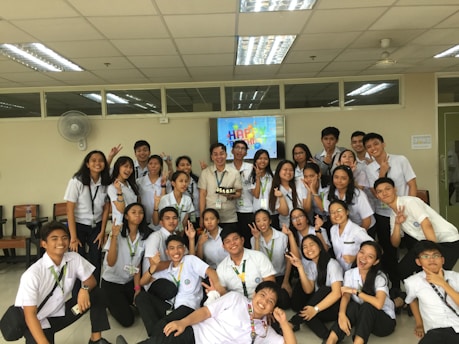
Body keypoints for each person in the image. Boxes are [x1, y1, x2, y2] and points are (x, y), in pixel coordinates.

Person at [14, 221, 110, 344]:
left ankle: (96, 340)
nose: (60, 242)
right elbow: (30, 315)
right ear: (44, 244)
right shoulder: (33, 274)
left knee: (97, 293)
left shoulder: (74, 258)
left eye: (64, 238)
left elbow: (91, 280)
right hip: (38, 321)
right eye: (54, 239)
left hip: (61, 312)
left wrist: (84, 289)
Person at [116, 281, 297, 344]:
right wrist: (184, 323)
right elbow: (206, 312)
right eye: (263, 295)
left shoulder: (265, 331)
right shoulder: (235, 299)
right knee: (164, 339)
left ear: (273, 308)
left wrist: (282, 322)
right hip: (196, 334)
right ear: (255, 294)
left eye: (270, 301)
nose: (264, 301)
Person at [136, 235, 224, 338]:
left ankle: (155, 336)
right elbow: (142, 282)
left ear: (184, 249)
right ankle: (156, 337)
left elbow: (210, 271)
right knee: (141, 297)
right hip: (171, 308)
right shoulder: (166, 269)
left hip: (188, 308)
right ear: (167, 252)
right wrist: (154, 267)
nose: (176, 251)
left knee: (163, 325)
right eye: (172, 248)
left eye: (179, 247)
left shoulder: (190, 260)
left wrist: (219, 289)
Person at [374, 177, 459, 280]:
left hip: (448, 241)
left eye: (387, 189)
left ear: (395, 189)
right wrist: (397, 224)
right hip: (426, 243)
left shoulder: (410, 202)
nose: (384, 193)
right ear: (377, 196)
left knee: (436, 276)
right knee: (402, 270)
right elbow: (395, 243)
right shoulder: (393, 214)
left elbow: (427, 224)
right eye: (380, 191)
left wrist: (431, 254)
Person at [364, 132, 417, 293]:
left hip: (406, 213)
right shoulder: (369, 168)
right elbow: (376, 193)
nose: (373, 148)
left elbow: (412, 184)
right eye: (369, 147)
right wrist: (382, 172)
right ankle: (395, 288)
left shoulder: (400, 160)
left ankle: (415, 288)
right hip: (384, 215)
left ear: (383, 144)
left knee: (413, 249)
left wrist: (410, 207)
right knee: (389, 253)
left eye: (376, 144)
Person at [325, 241, 396, 344]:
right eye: (362, 252)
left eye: (370, 256)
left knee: (367, 306)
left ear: (375, 262)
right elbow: (346, 296)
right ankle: (331, 340)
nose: (363, 258)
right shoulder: (350, 274)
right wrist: (341, 314)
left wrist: (355, 291)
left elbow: (379, 304)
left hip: (384, 322)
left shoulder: (380, 277)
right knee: (353, 306)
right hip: (365, 319)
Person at [64, 150, 111, 285]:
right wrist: (73, 237)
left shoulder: (106, 181)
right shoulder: (76, 181)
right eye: (93, 160)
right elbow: (69, 209)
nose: (97, 163)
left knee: (96, 259)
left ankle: (93, 291)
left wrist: (102, 231)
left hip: (97, 226)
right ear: (87, 164)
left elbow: (106, 207)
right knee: (76, 259)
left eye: (101, 160)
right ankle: (76, 294)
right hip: (78, 226)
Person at [101, 203, 151, 327]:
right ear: (127, 216)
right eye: (133, 212)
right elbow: (111, 262)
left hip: (129, 282)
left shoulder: (144, 237)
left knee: (145, 307)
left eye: (141, 212)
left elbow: (137, 266)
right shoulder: (117, 234)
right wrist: (114, 237)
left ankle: (124, 302)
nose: (138, 215)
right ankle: (109, 302)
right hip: (112, 283)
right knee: (127, 321)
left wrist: (137, 289)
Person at [286, 235, 343, 340]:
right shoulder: (311, 265)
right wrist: (300, 268)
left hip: (335, 307)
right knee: (308, 313)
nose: (308, 249)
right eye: (305, 247)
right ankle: (328, 337)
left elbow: (337, 293)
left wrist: (315, 309)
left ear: (320, 247)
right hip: (322, 306)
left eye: (311, 245)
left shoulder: (332, 265)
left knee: (324, 290)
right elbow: (308, 290)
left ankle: (293, 322)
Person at [404, 240, 459, 343]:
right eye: (425, 256)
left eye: (436, 255)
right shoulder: (412, 282)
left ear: (442, 260)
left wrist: (443, 283)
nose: (431, 259)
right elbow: (411, 300)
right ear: (418, 262)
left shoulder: (456, 277)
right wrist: (419, 323)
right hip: (435, 330)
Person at [249, 209, 298, 308]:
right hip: (264, 277)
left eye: (264, 220)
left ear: (270, 221)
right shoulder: (253, 239)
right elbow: (256, 260)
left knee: (285, 303)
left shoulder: (282, 236)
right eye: (258, 221)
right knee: (265, 303)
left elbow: (289, 259)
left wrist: (286, 281)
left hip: (280, 275)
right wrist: (257, 239)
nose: (261, 223)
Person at [141, 207, 196, 292]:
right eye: (167, 218)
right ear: (161, 222)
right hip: (155, 281)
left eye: (174, 218)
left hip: (172, 277)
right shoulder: (155, 237)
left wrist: (191, 239)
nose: (171, 221)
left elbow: (190, 260)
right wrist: (177, 261)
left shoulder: (176, 237)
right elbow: (155, 266)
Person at [216, 226, 276, 299]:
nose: (232, 243)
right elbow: (223, 293)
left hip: (261, 301)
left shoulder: (259, 257)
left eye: (235, 239)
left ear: (242, 240)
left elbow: (270, 283)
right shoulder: (221, 268)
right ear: (224, 246)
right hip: (236, 304)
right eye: (227, 241)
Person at [198, 142, 242, 229]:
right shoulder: (205, 173)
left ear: (226, 154)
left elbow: (239, 193)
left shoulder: (234, 173)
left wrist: (231, 195)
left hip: (229, 217)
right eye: (215, 154)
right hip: (210, 218)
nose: (219, 157)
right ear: (211, 157)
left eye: (221, 154)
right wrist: (202, 216)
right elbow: (202, 195)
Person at [324, 165, 376, 237]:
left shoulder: (359, 195)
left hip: (363, 227)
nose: (339, 181)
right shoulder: (328, 194)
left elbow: (367, 220)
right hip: (344, 229)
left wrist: (355, 235)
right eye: (336, 177)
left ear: (350, 180)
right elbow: (333, 218)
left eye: (343, 178)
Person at [328, 200, 374, 271]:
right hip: (340, 270)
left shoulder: (357, 231)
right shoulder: (333, 229)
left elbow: (375, 248)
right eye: (332, 212)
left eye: (339, 210)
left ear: (347, 211)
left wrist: (355, 258)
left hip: (356, 270)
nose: (336, 214)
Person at [230, 140, 254, 248]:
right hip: (231, 210)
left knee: (247, 240)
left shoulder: (251, 168)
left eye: (243, 148)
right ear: (232, 150)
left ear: (246, 152)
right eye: (237, 148)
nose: (240, 150)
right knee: (234, 240)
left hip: (248, 209)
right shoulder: (227, 168)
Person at [137, 155, 167, 230]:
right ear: (147, 165)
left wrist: (164, 185)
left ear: (161, 166)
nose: (153, 166)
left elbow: (166, 200)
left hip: (160, 219)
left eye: (156, 163)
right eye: (150, 163)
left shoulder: (166, 182)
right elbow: (138, 200)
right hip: (143, 218)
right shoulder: (139, 181)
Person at [269, 160, 301, 229]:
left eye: (291, 170)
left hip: (301, 223)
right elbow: (284, 212)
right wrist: (281, 197)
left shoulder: (299, 184)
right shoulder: (275, 189)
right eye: (285, 170)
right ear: (279, 171)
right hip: (286, 226)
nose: (288, 172)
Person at [107, 156, 139, 226]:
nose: (128, 170)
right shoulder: (112, 187)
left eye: (130, 167)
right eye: (125, 166)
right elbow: (121, 209)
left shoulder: (131, 184)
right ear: (118, 167)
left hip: (134, 223)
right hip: (121, 224)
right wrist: (119, 191)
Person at [175, 155, 200, 226]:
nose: (185, 167)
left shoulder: (197, 180)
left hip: (197, 216)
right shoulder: (174, 183)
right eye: (182, 165)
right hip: (182, 218)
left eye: (188, 165)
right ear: (177, 168)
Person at [250, 148, 274, 213]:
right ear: (256, 161)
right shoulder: (251, 176)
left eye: (265, 159)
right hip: (257, 211)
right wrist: (257, 177)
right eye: (260, 158)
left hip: (271, 211)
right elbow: (256, 195)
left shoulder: (272, 176)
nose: (263, 161)